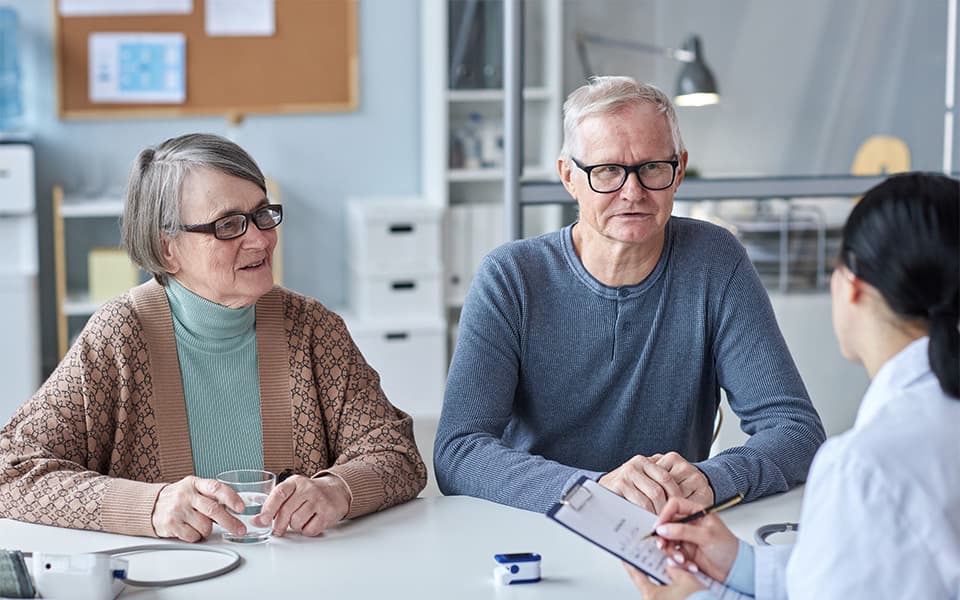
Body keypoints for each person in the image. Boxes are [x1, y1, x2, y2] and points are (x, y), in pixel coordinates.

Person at [0, 133, 426, 542]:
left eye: (262, 214)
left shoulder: (314, 328)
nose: (259, 239)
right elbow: (10, 471)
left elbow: (398, 453)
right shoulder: (118, 337)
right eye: (228, 225)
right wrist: (151, 505)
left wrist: (338, 489)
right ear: (167, 247)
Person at [434, 76, 825, 514]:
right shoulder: (511, 278)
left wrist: (713, 478)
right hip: (539, 524)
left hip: (666, 528)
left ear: (679, 169)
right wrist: (594, 490)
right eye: (607, 171)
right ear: (569, 177)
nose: (632, 192)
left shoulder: (716, 262)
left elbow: (796, 430)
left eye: (652, 168)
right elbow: (459, 452)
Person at [630, 172, 959, 599]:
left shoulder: (863, 468)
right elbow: (877, 569)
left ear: (851, 285)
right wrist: (740, 564)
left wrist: (692, 597)